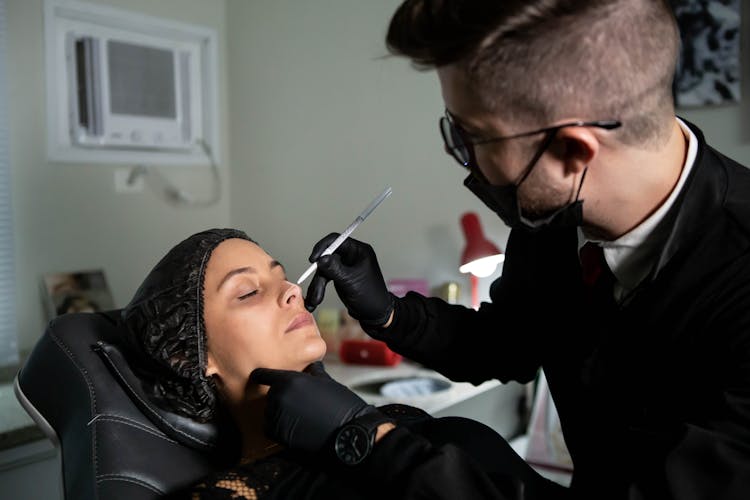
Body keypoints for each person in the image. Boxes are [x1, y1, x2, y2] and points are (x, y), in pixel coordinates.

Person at [250, 1, 750, 499]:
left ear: (571, 152)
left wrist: (364, 439)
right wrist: (389, 314)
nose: (466, 160)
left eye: (473, 137)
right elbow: (510, 341)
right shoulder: (556, 217)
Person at [122, 228, 560, 499]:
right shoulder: (238, 493)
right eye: (247, 292)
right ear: (189, 357)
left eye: (282, 275)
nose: (293, 290)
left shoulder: (384, 421)